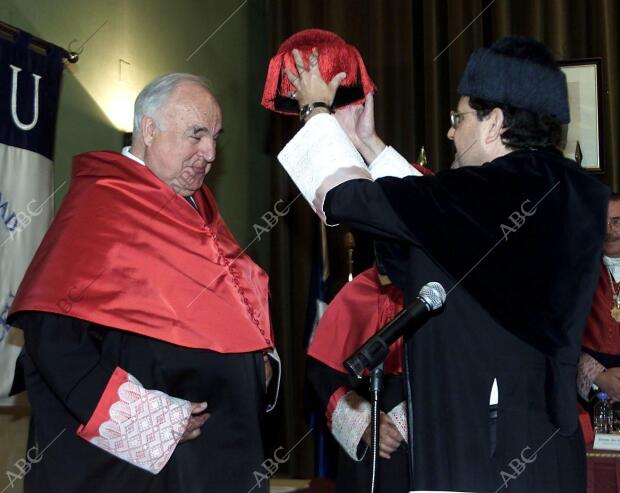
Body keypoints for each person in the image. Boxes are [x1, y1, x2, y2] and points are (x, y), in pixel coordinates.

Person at [275, 36, 609, 492]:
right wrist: (366, 142)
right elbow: (438, 231)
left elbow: (349, 201)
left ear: (494, 123)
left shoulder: (495, 192)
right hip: (541, 452)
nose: (451, 132)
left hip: (484, 452)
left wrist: (315, 111)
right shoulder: (559, 190)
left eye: (460, 118)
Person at [8, 73, 279, 493]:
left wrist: (256, 360)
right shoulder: (101, 203)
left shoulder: (201, 210)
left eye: (215, 137)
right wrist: (153, 421)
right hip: (136, 470)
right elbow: (53, 338)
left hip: (216, 458)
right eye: (197, 134)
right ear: (149, 129)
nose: (209, 153)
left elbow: (235, 305)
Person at [307, 265, 409, 492]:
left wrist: (410, 417)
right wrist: (364, 421)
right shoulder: (359, 291)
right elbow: (323, 370)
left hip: (429, 450)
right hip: (366, 451)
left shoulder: (449, 289)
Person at [578, 194, 620, 405]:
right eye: (601, 222)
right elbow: (563, 340)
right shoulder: (578, 275)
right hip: (594, 389)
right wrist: (600, 378)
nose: (609, 231)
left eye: (617, 221)